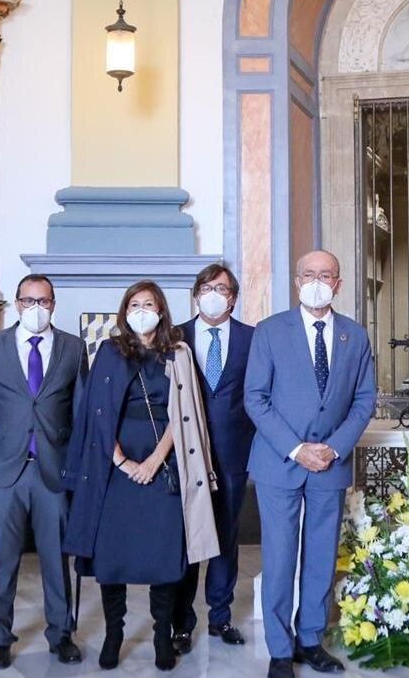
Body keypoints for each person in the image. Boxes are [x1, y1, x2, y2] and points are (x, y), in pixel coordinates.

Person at [63, 281, 219, 672]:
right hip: (114, 468)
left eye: (149, 303)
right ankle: (114, 633)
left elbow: (182, 414)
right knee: (113, 556)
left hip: (165, 464)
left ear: (162, 311)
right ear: (124, 311)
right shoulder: (109, 353)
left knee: (164, 558)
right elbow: (95, 415)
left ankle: (162, 635)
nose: (142, 310)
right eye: (135, 304)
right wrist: (120, 461)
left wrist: (154, 460)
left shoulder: (179, 353)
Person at [246, 250, 378, 678]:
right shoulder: (269, 332)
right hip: (279, 462)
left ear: (339, 284)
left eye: (326, 275)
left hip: (331, 464)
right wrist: (296, 448)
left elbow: (363, 400)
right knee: (281, 557)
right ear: (296, 282)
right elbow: (256, 398)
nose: (317, 281)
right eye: (309, 274)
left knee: (321, 556)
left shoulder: (355, 337)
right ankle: (280, 650)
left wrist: (334, 448)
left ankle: (310, 640)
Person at [0, 274, 87, 669]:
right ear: (17, 303)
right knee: (1, 562)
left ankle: (62, 634)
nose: (37, 308)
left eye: (45, 300)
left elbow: (81, 413)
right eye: (29, 300)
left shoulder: (73, 347)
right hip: (5, 472)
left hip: (54, 472)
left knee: (57, 559)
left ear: (54, 303)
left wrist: (75, 467)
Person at [169, 264, 256, 652]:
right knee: (187, 538)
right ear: (195, 293)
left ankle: (219, 618)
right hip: (186, 455)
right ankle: (181, 623)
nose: (214, 293)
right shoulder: (174, 337)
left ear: (233, 297)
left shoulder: (253, 338)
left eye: (221, 288)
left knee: (224, 537)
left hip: (233, 454)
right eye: (206, 287)